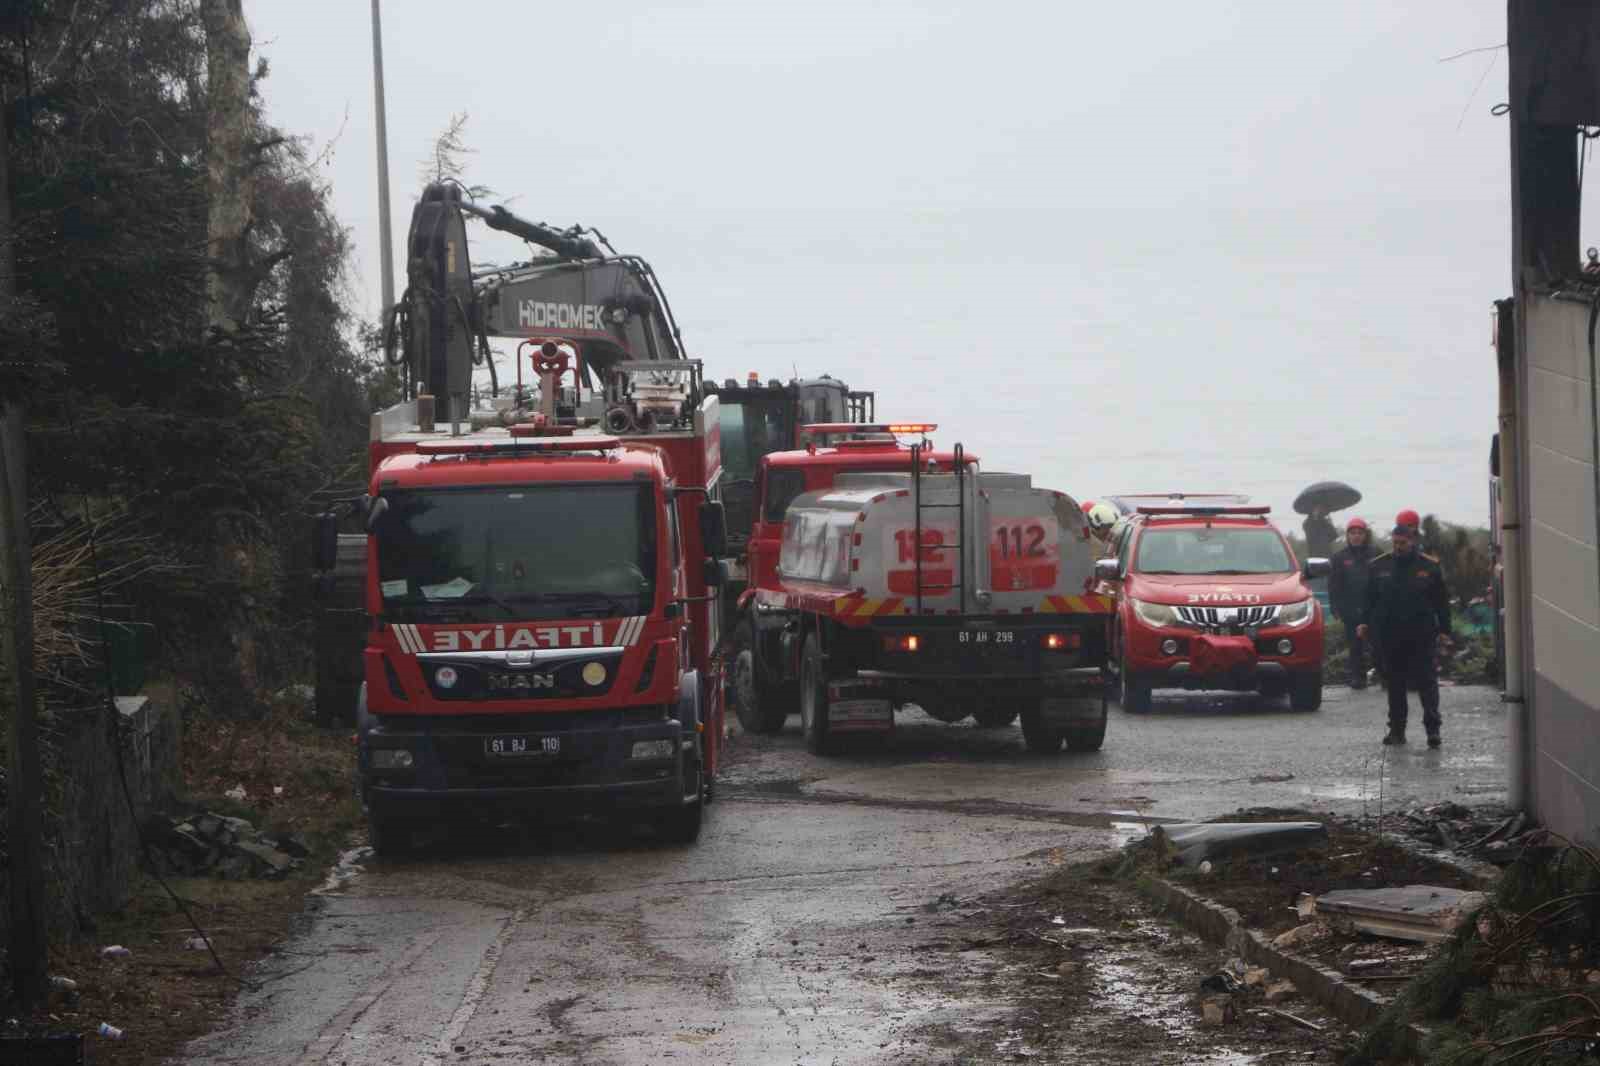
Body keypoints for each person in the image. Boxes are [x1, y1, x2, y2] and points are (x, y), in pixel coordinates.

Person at [1358, 523, 1452, 747]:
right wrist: (1364, 623)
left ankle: (1433, 730)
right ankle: (1397, 731)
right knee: (1395, 684)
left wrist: (1445, 631)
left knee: (1427, 682)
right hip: (1390, 635)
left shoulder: (1429, 567)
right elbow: (1369, 600)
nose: (1398, 547)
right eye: (1395, 543)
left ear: (1413, 541)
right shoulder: (1379, 566)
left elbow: (1441, 602)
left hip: (1421, 634)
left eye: (1403, 543)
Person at [1327, 517, 1374, 689]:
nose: (1356, 536)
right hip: (1350, 609)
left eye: (1359, 533)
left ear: (1365, 535)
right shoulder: (1340, 557)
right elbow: (1333, 585)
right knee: (1355, 646)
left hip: (1373, 609)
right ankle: (1358, 678)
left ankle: (1385, 676)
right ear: (1347, 535)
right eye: (1352, 533)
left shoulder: (1375, 553)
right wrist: (1335, 607)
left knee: (1379, 644)